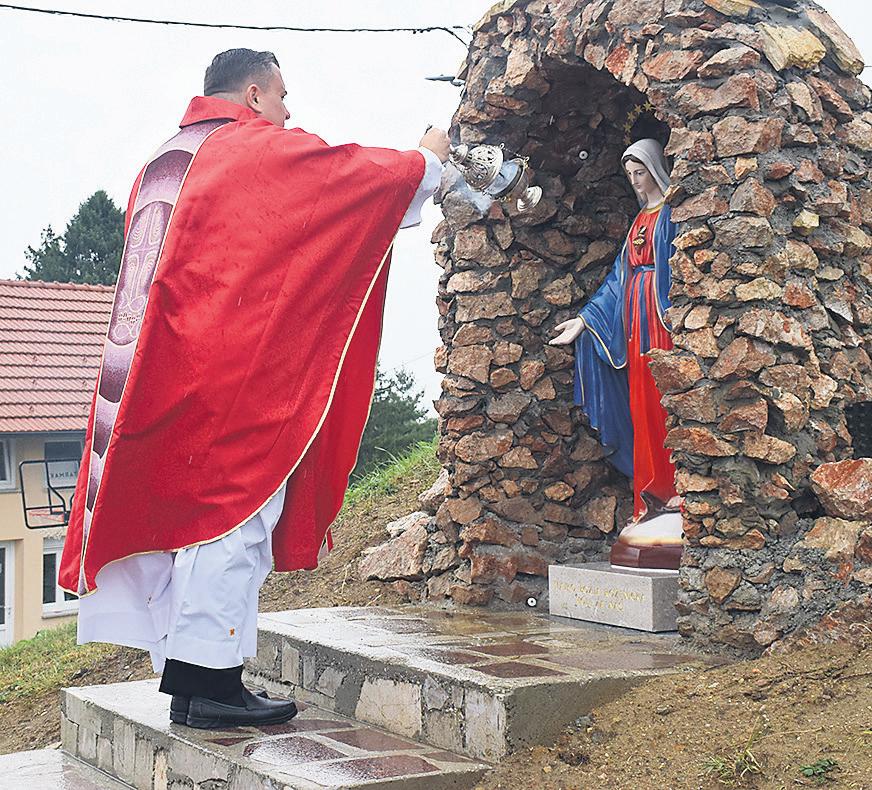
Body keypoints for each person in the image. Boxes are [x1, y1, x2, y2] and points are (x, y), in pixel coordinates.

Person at [59, 48, 450, 729]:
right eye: (281, 95)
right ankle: (212, 687)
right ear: (252, 93)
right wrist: (426, 160)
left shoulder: (165, 160)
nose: (288, 111)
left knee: (195, 530)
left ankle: (194, 685)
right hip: (228, 382)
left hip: (166, 376)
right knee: (233, 523)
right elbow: (344, 180)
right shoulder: (249, 150)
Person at [550, 138, 682, 570]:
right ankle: (650, 496)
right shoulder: (639, 220)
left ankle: (676, 493)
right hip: (635, 323)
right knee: (641, 407)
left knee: (664, 405)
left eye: (640, 172)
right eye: (629, 175)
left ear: (655, 169)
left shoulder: (670, 214)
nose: (635, 181)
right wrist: (585, 321)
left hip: (660, 322)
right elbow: (617, 279)